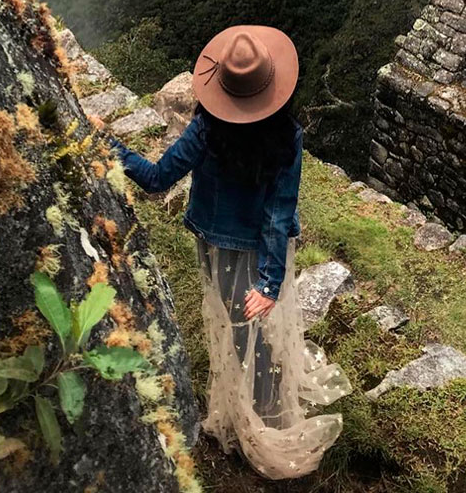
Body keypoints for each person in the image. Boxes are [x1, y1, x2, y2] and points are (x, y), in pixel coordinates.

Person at [110, 24, 351, 480]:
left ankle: (260, 423)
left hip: (218, 242)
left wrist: (111, 147)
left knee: (241, 332)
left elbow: (158, 178)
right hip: (259, 246)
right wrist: (270, 279)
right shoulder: (286, 136)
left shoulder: (208, 129)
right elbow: (279, 213)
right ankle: (260, 406)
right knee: (249, 328)